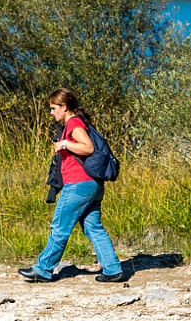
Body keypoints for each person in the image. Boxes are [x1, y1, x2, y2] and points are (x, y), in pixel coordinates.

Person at [20, 88, 125, 284]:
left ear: (64, 107)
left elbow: (88, 147)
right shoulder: (78, 123)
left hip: (79, 184)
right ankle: (113, 269)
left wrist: (65, 144)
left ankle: (43, 269)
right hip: (92, 185)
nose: (51, 113)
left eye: (53, 108)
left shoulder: (74, 123)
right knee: (93, 227)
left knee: (59, 226)